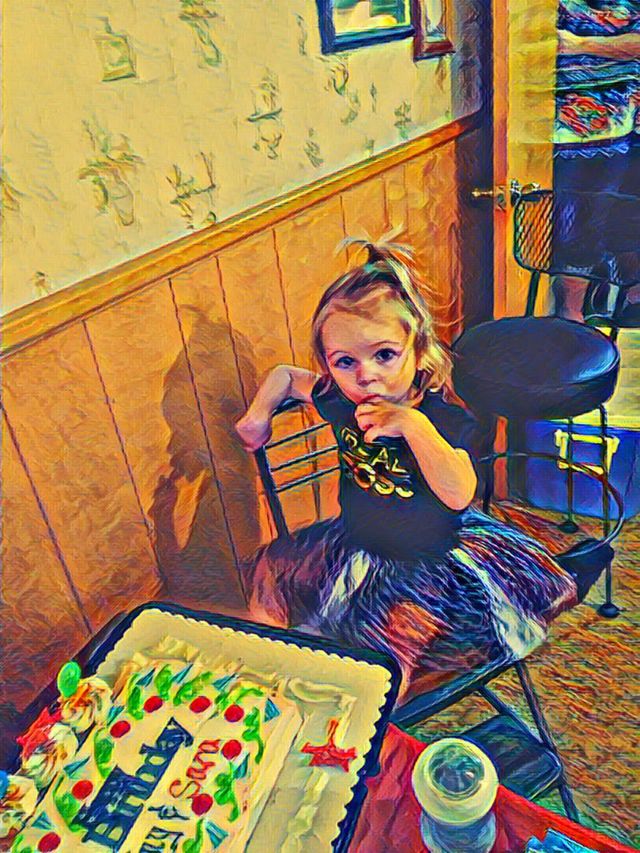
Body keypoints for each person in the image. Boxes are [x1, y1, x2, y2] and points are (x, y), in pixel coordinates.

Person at [236, 241, 577, 695]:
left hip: (427, 565)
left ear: (419, 353)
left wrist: (413, 426)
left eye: (384, 355)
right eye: (345, 362)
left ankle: (375, 725)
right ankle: (271, 686)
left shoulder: (440, 418)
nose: (366, 376)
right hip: (354, 545)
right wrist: (258, 416)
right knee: (271, 580)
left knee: (384, 668)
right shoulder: (342, 399)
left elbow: (458, 493)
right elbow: (285, 375)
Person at [553, 0, 640, 320]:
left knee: (624, 215)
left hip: (625, 123)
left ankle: (630, 297)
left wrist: (579, 45)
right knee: (575, 224)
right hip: (564, 132)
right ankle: (572, 313)